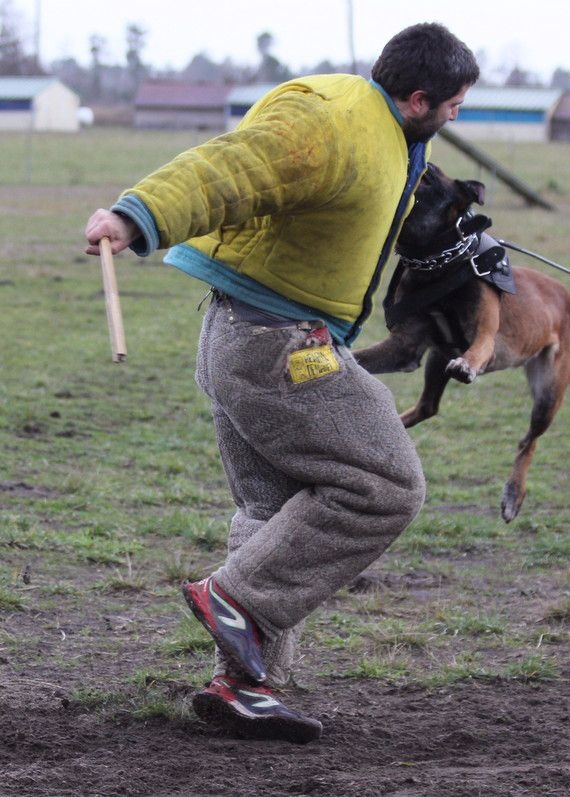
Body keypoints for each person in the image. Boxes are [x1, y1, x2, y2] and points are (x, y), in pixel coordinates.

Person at [84, 22, 479, 744]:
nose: (458, 116)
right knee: (385, 484)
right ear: (419, 97)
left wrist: (465, 239)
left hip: (242, 336)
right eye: (454, 104)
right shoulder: (331, 123)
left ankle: (244, 686)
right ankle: (233, 599)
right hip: (276, 344)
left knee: (275, 510)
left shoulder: (390, 134)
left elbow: (381, 211)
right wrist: (138, 215)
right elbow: (231, 167)